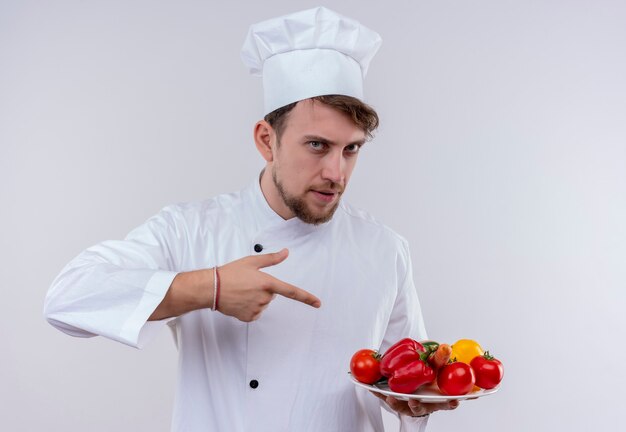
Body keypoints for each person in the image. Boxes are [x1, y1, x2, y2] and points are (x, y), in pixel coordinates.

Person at [44, 6, 457, 431]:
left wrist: (418, 400)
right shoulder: (191, 230)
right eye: (317, 145)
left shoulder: (385, 249)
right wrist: (210, 286)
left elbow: (401, 379)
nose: (337, 173)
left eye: (351, 149)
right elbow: (66, 299)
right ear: (266, 140)